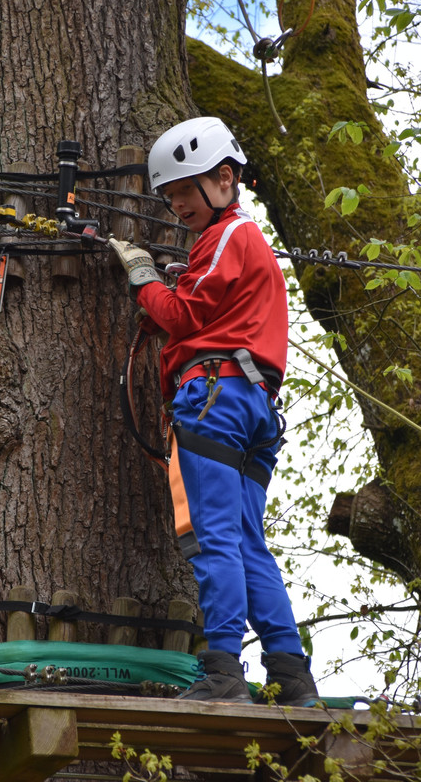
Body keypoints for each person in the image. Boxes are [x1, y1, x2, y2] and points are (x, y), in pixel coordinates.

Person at [109, 117, 320, 706]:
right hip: (252, 407)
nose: (176, 206)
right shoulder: (235, 244)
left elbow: (181, 317)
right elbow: (209, 305)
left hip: (216, 398)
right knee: (250, 543)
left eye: (184, 191)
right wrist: (171, 280)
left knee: (217, 540)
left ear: (224, 179)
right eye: (169, 196)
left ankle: (224, 673)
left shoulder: (231, 233)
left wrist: (144, 279)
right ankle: (292, 677)